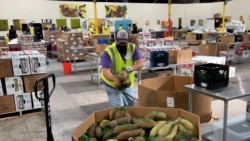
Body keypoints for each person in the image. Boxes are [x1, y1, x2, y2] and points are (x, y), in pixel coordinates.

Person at [101, 29, 144, 107]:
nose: (122, 44)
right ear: (115, 40)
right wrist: (115, 79)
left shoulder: (132, 48)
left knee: (130, 104)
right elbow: (106, 71)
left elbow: (140, 63)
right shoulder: (109, 51)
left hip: (127, 82)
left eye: (124, 42)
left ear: (128, 40)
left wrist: (131, 68)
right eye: (120, 42)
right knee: (119, 107)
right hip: (112, 83)